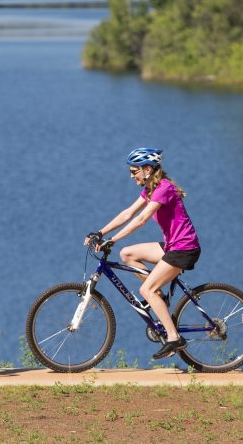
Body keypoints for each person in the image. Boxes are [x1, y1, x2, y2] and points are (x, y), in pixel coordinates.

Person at [86, 147, 202, 360]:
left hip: (183, 248)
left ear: (147, 169)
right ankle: (159, 297)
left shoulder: (163, 189)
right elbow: (128, 213)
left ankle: (174, 338)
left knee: (146, 290)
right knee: (127, 254)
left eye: (134, 171)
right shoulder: (150, 188)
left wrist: (111, 240)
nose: (131, 176)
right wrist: (100, 232)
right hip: (171, 246)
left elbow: (141, 220)